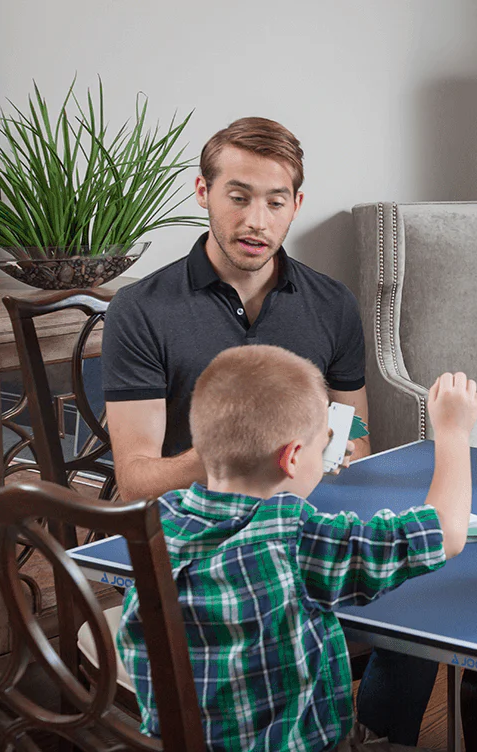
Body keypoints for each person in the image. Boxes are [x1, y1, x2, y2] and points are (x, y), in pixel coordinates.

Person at [115, 345, 477, 752]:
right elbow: (445, 532)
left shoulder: (161, 523)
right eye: (321, 443)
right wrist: (453, 431)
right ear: (291, 458)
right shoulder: (296, 538)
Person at [102, 117, 370, 503]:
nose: (256, 222)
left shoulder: (334, 303)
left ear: (295, 206)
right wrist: (240, 446)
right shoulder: (139, 309)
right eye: (238, 198)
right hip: (189, 533)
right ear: (203, 191)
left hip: (301, 522)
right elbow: (135, 484)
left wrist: (334, 447)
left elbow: (358, 443)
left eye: (275, 203)